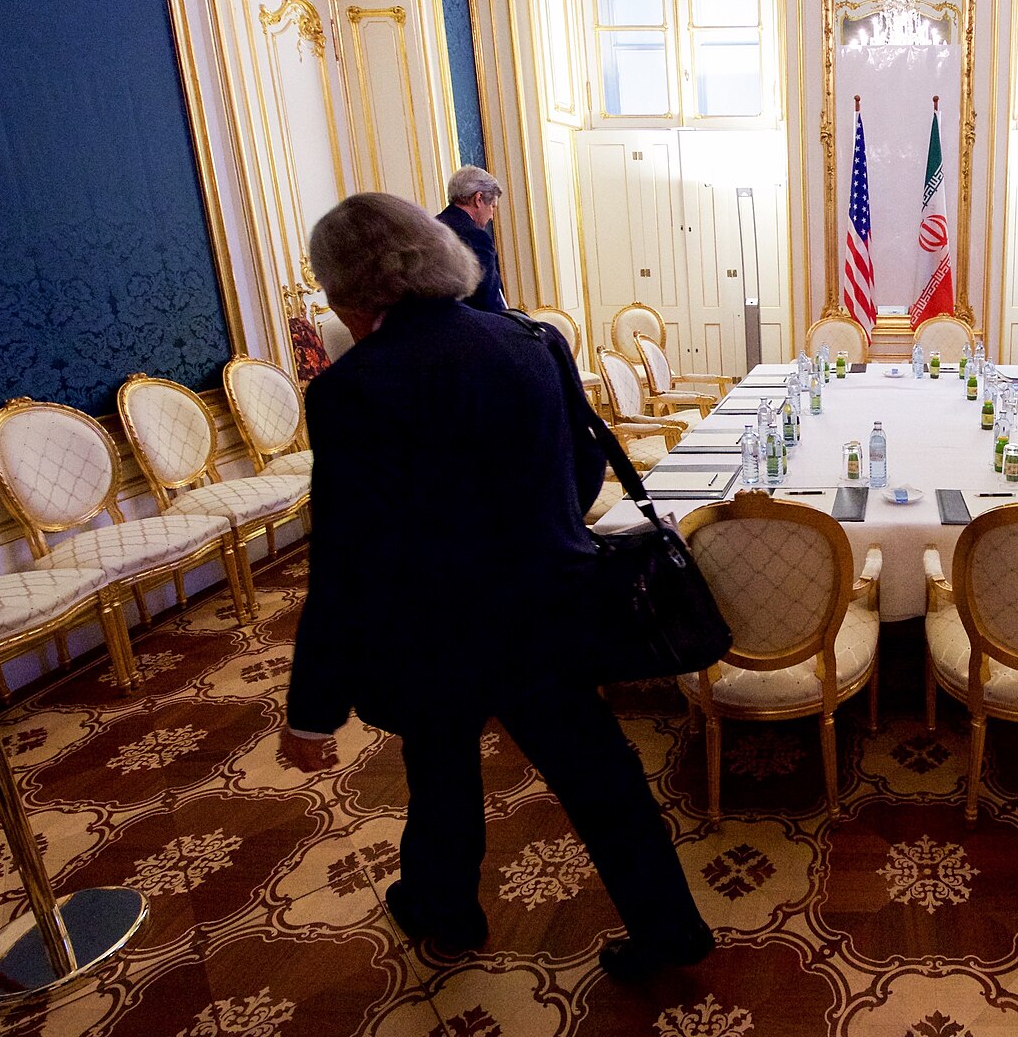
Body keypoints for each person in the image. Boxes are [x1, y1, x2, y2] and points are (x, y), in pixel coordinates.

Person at [281, 193, 712, 978]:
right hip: (548, 608)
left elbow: (346, 556)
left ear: (353, 288)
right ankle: (671, 928)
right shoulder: (529, 343)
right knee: (603, 781)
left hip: (432, 631)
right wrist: (537, 532)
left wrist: (312, 711)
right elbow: (583, 467)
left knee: (441, 775)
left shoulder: (350, 389)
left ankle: (446, 909)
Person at [435, 165, 508, 313]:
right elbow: (488, 298)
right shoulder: (475, 236)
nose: (492, 216)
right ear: (478, 199)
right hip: (473, 326)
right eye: (493, 206)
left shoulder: (433, 227)